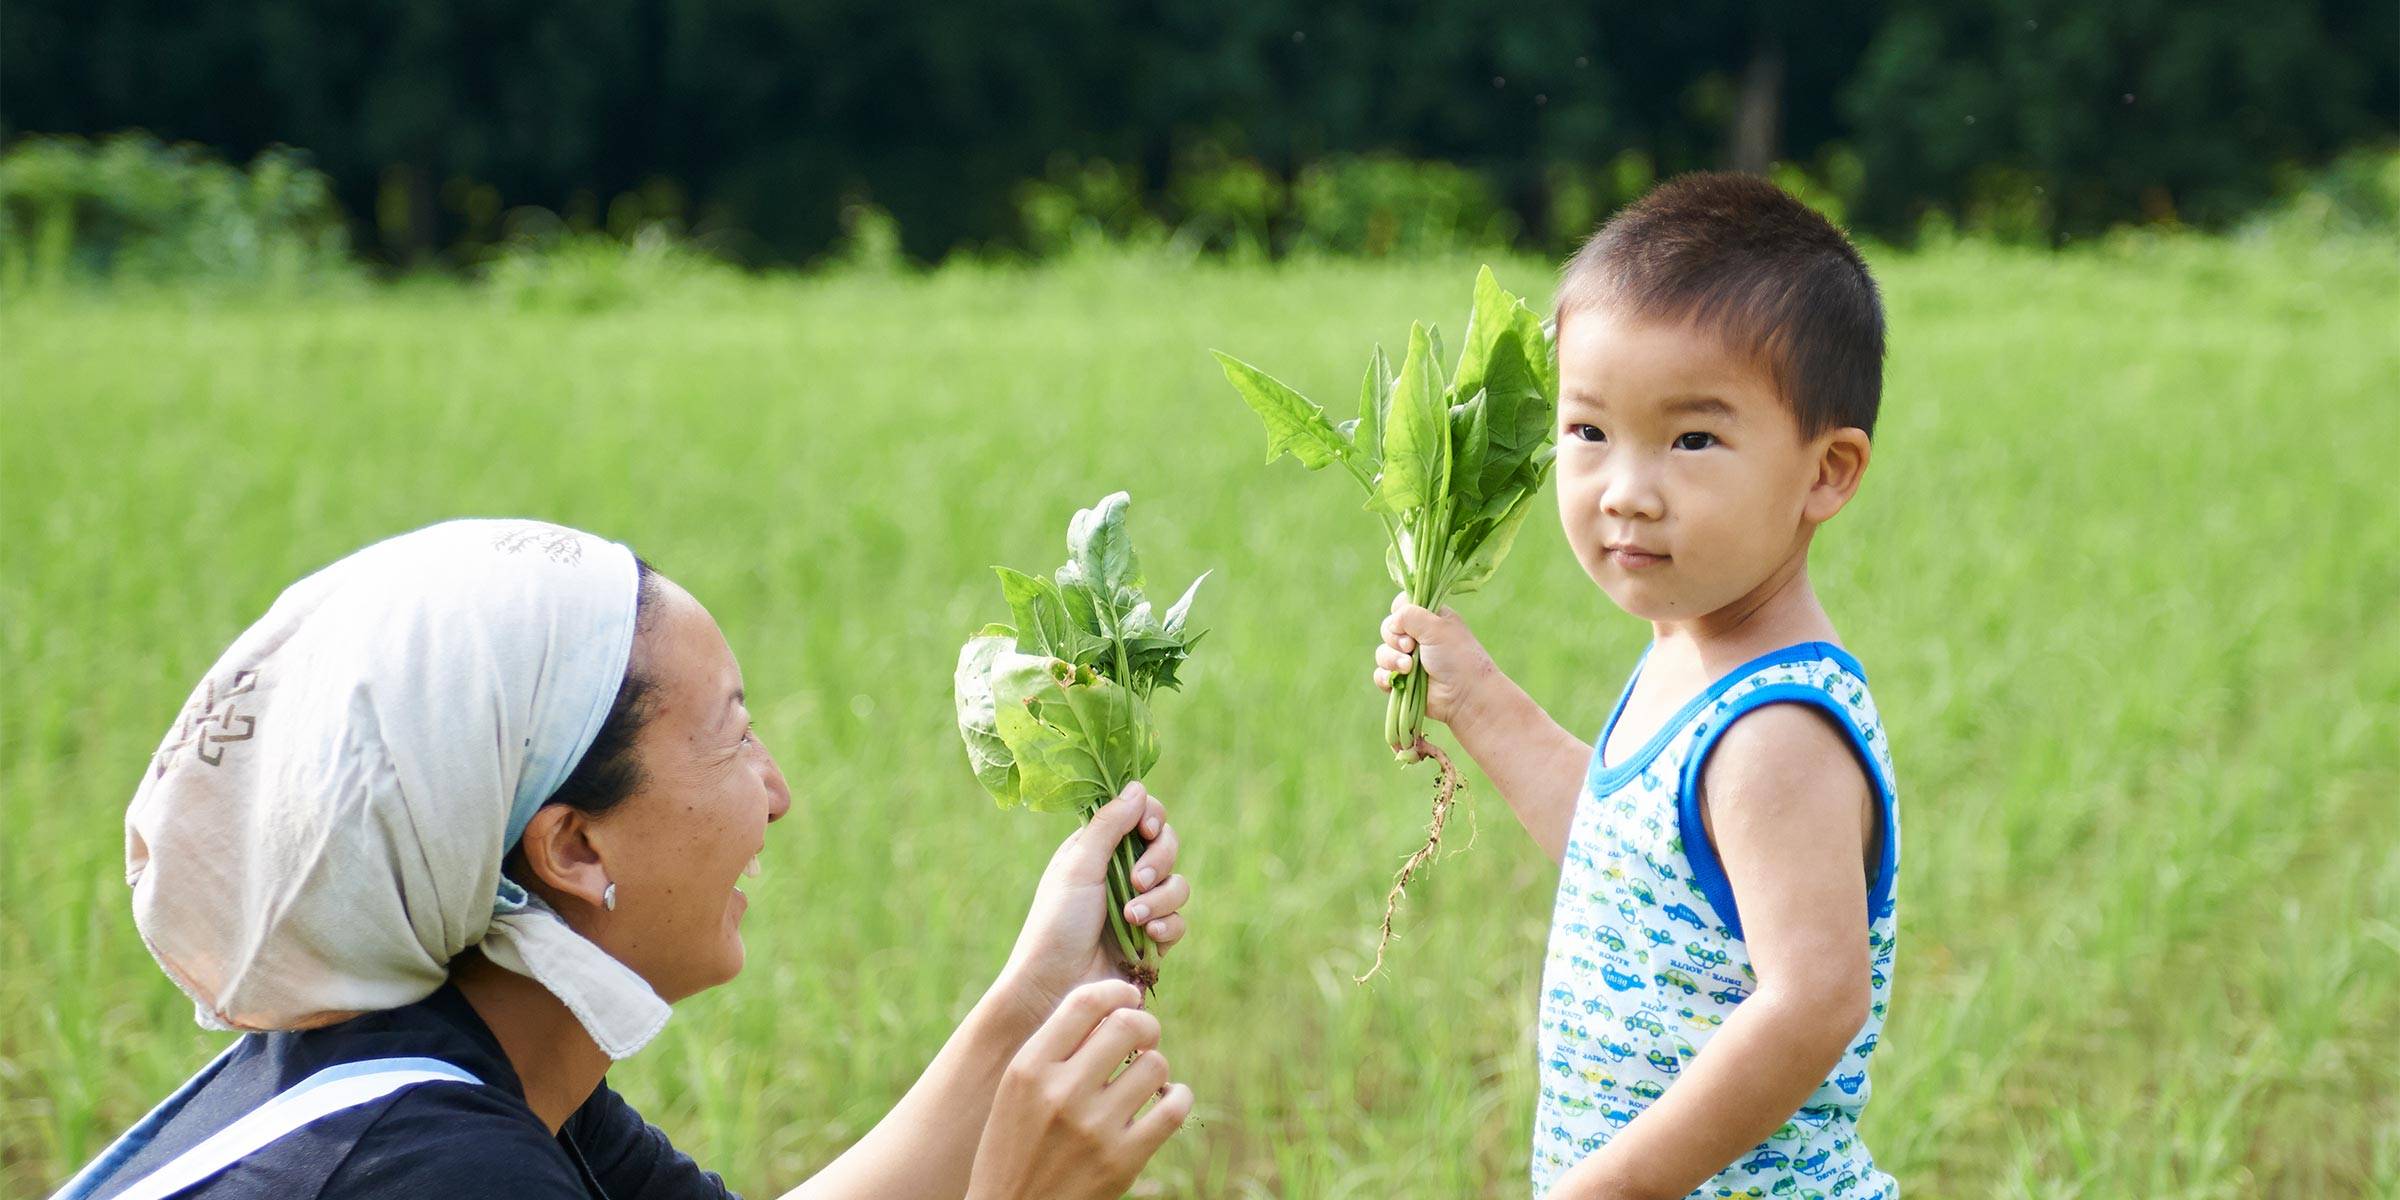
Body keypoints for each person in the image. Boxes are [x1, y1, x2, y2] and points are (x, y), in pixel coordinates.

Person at [57, 519, 1194, 1200]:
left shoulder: (468, 1070)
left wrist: (1037, 996)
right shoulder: (435, 1173)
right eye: (735, 737)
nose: (779, 793)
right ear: (572, 845)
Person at [1374, 173, 1902, 1198]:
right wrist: (1478, 701)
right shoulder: (1689, 654)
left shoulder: (1776, 733)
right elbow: (1634, 862)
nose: (1626, 492)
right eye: (1588, 433)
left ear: (1827, 472)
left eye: (1692, 439)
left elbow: (1814, 1000)